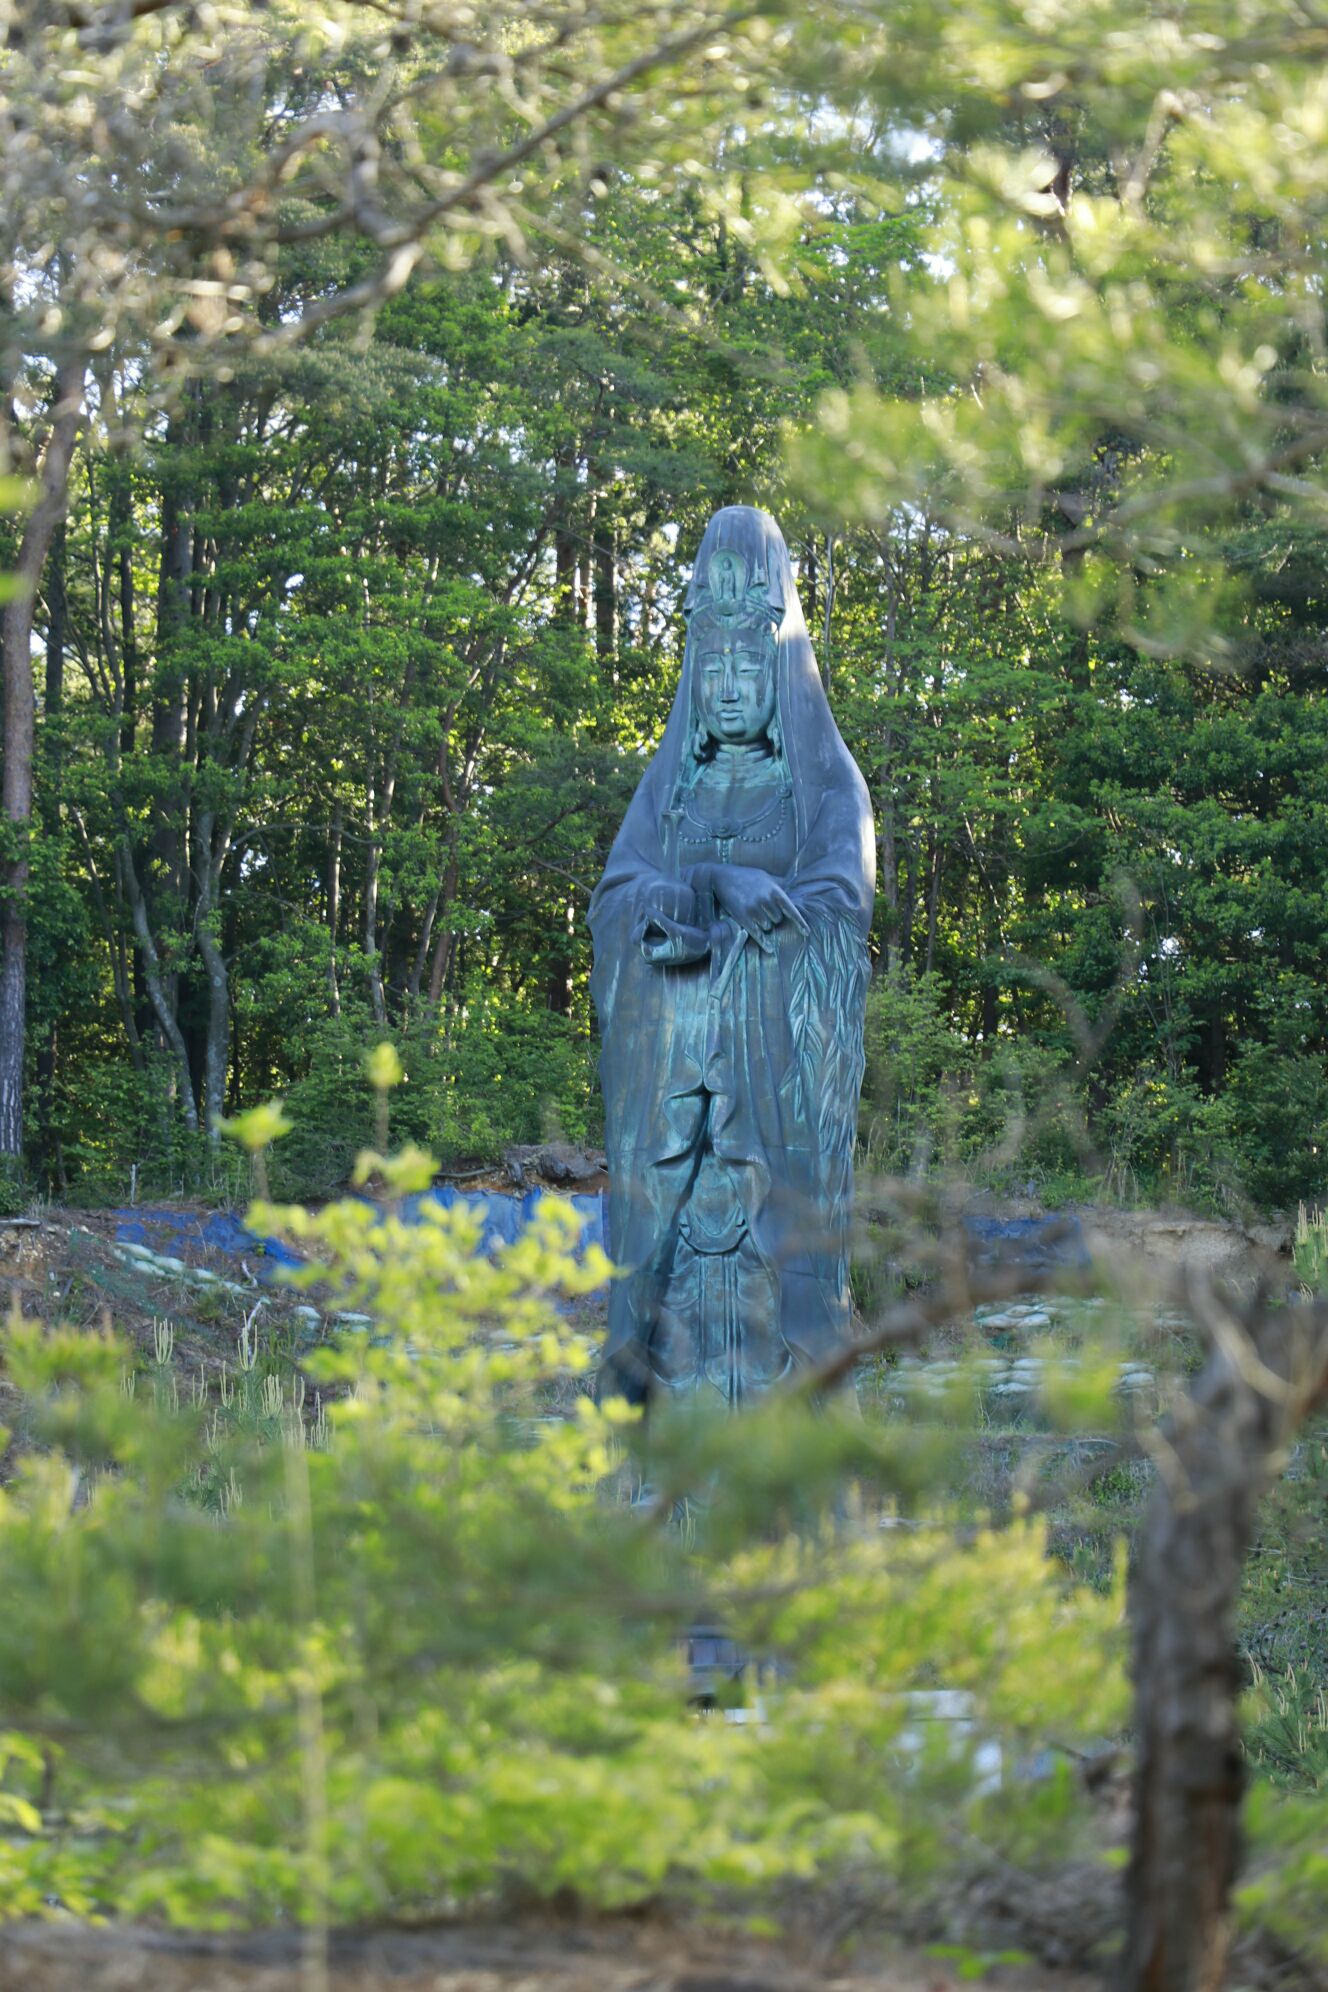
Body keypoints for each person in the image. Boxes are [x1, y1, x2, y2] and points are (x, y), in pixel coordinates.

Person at [590, 506, 874, 1407]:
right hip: (675, 1066)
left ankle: (804, 1410)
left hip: (767, 1067)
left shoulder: (826, 787)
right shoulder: (670, 794)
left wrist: (756, 933)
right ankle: (637, 1388)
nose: (729, 683)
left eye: (751, 662)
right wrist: (711, 885)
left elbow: (839, 910)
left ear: (782, 671)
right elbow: (617, 902)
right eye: (712, 662)